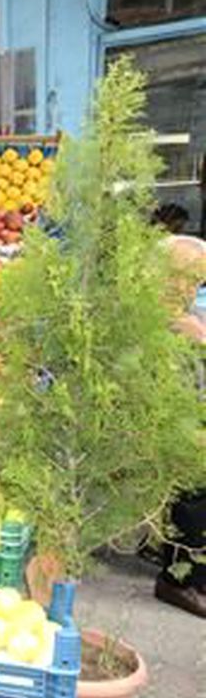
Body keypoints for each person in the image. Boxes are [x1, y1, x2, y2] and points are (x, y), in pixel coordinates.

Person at [155, 234, 206, 617]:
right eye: (182, 278)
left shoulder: (189, 319)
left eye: (196, 282)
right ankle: (179, 580)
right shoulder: (145, 316)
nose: (189, 290)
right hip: (148, 425)